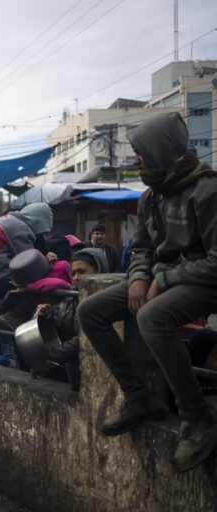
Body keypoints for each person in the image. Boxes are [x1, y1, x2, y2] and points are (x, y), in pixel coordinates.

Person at [77, 112, 217, 473]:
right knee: (89, 311)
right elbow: (142, 249)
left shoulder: (208, 190)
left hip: (204, 282)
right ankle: (140, 397)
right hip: (163, 279)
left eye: (141, 152)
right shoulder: (150, 197)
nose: (136, 159)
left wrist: (165, 281)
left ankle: (197, 417)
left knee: (151, 317)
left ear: (160, 151)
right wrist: (139, 276)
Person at [40, 248, 109, 391]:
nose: (76, 277)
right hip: (74, 374)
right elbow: (61, 328)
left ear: (99, 271)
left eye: (82, 272)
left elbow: (84, 338)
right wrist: (49, 317)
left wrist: (51, 355)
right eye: (73, 273)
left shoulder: (105, 302)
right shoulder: (69, 299)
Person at [0, 202, 54, 299]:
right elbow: (29, 263)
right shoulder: (20, 228)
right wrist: (49, 263)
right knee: (32, 290)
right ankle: (12, 314)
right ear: (38, 222)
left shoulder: (4, 221)